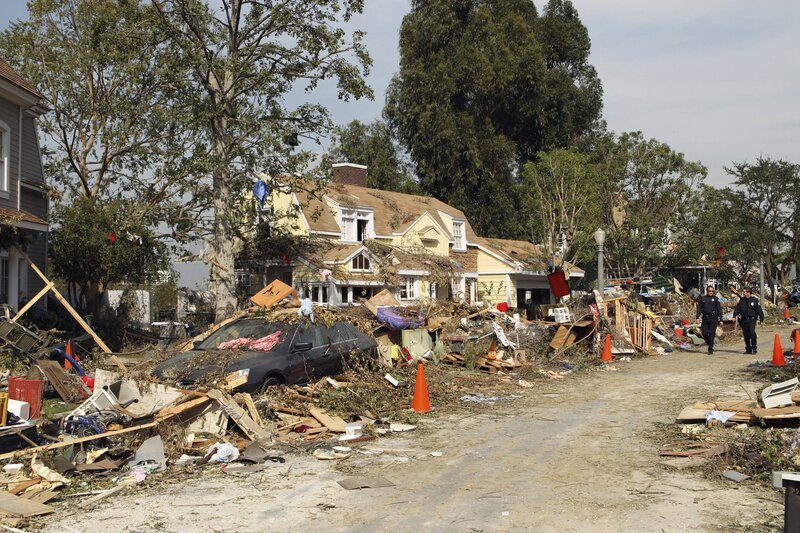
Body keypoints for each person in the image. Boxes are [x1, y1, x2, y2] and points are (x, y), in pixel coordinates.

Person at [733, 287, 764, 354]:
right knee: (746, 335)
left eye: (744, 292)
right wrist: (734, 316)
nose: (743, 293)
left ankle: (754, 348)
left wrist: (761, 320)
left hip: (752, 320)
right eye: (743, 292)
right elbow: (737, 309)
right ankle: (748, 349)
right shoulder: (742, 300)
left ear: (748, 293)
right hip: (744, 320)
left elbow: (759, 310)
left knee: (752, 333)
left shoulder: (754, 300)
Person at [696, 285, 723, 354]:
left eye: (712, 291)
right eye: (709, 291)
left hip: (713, 318)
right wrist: (697, 317)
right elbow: (699, 309)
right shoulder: (703, 298)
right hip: (705, 318)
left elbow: (719, 310)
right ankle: (710, 343)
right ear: (707, 291)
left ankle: (710, 348)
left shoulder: (716, 299)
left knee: (711, 334)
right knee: (704, 333)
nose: (711, 292)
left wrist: (721, 320)